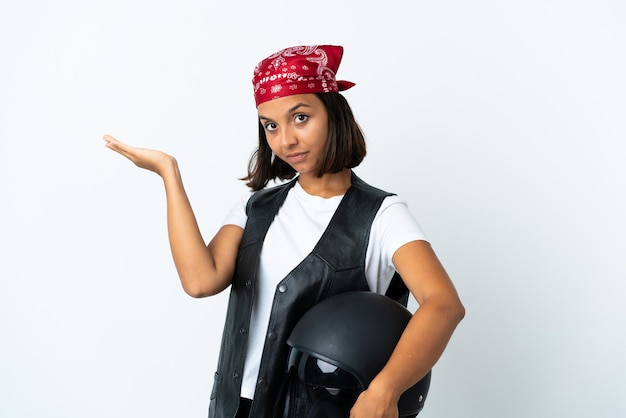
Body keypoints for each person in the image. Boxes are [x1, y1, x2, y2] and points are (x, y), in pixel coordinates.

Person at [103, 44, 465, 418]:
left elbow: (444, 304)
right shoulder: (255, 207)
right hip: (233, 407)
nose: (285, 140)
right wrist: (168, 172)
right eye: (271, 125)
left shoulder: (382, 214)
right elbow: (200, 281)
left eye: (301, 118)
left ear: (334, 113)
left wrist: (385, 390)